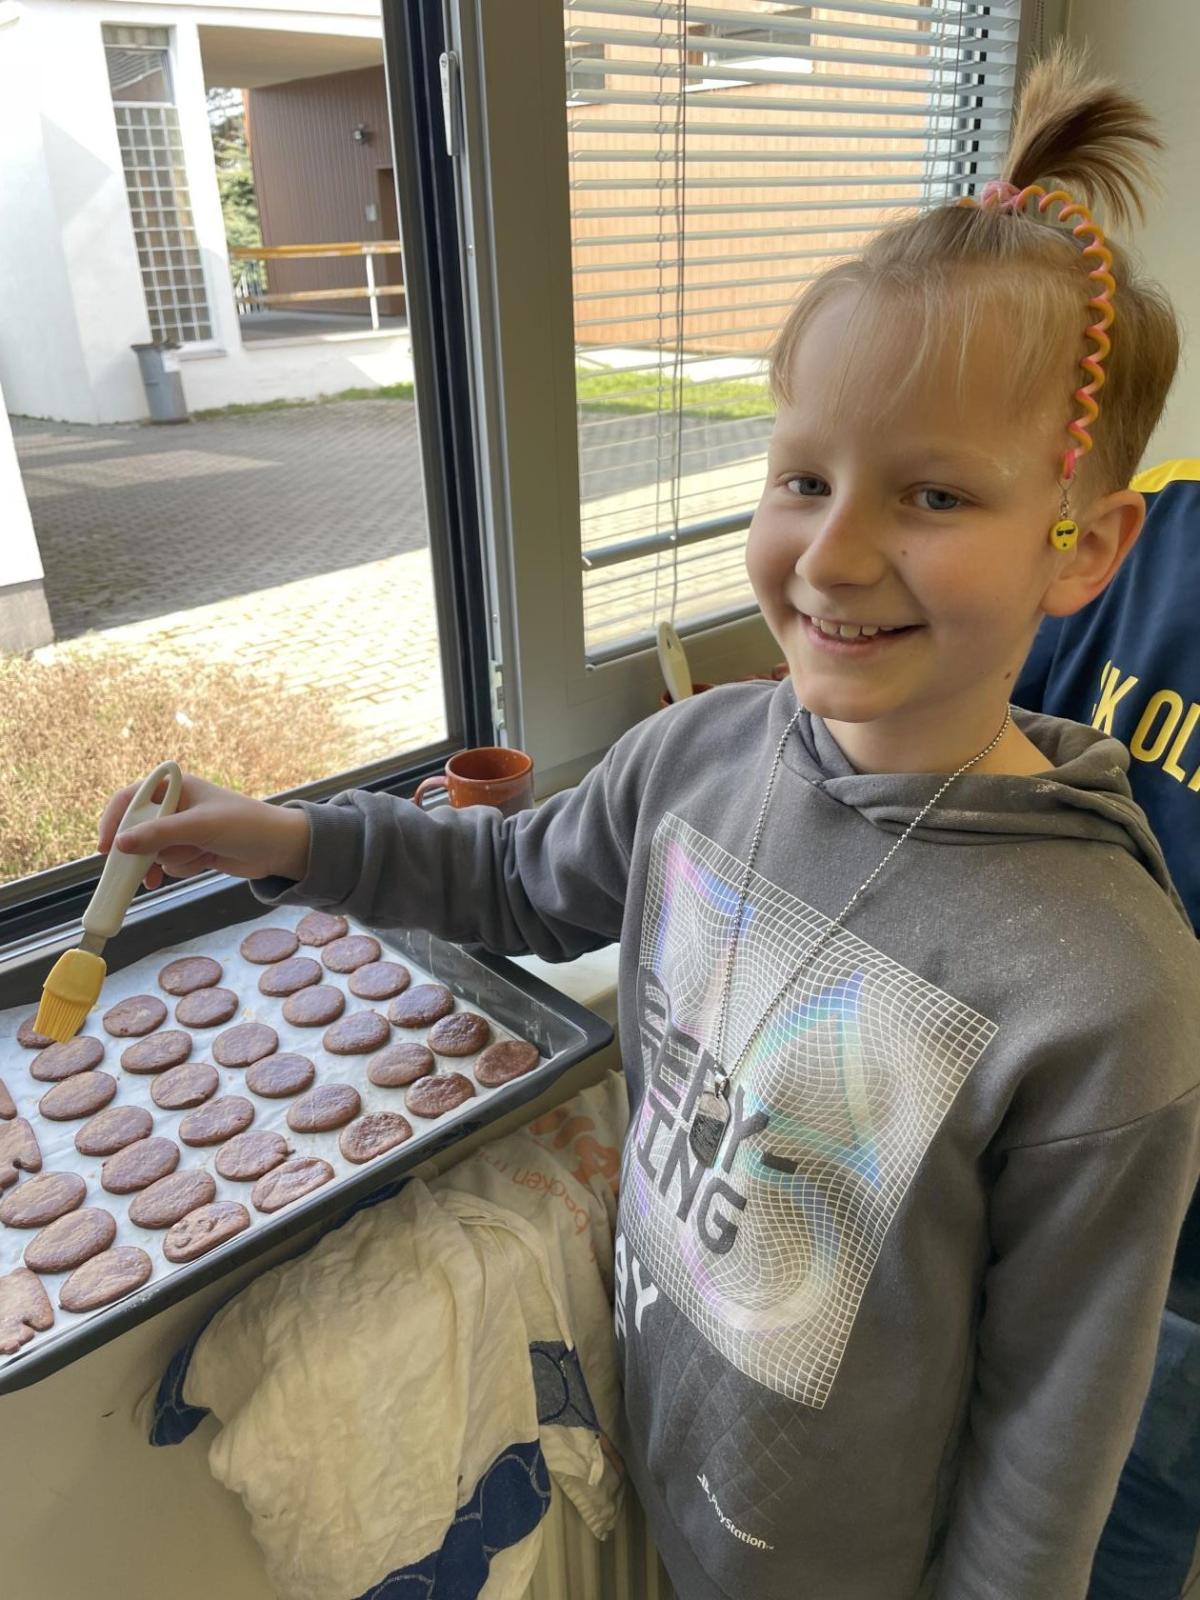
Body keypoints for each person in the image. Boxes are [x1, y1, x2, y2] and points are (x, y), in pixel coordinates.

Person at [99, 47, 1200, 1600]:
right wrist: (282, 839)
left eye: (935, 496)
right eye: (802, 476)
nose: (831, 556)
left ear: (1083, 548)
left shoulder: (1108, 991)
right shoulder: (695, 754)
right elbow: (511, 876)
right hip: (680, 1485)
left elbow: (1051, 1446)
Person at [1014, 456, 1200, 1600]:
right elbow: (998, 758)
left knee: (1129, 1510)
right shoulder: (1155, 524)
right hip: (1036, 1155)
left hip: (1186, 1259)